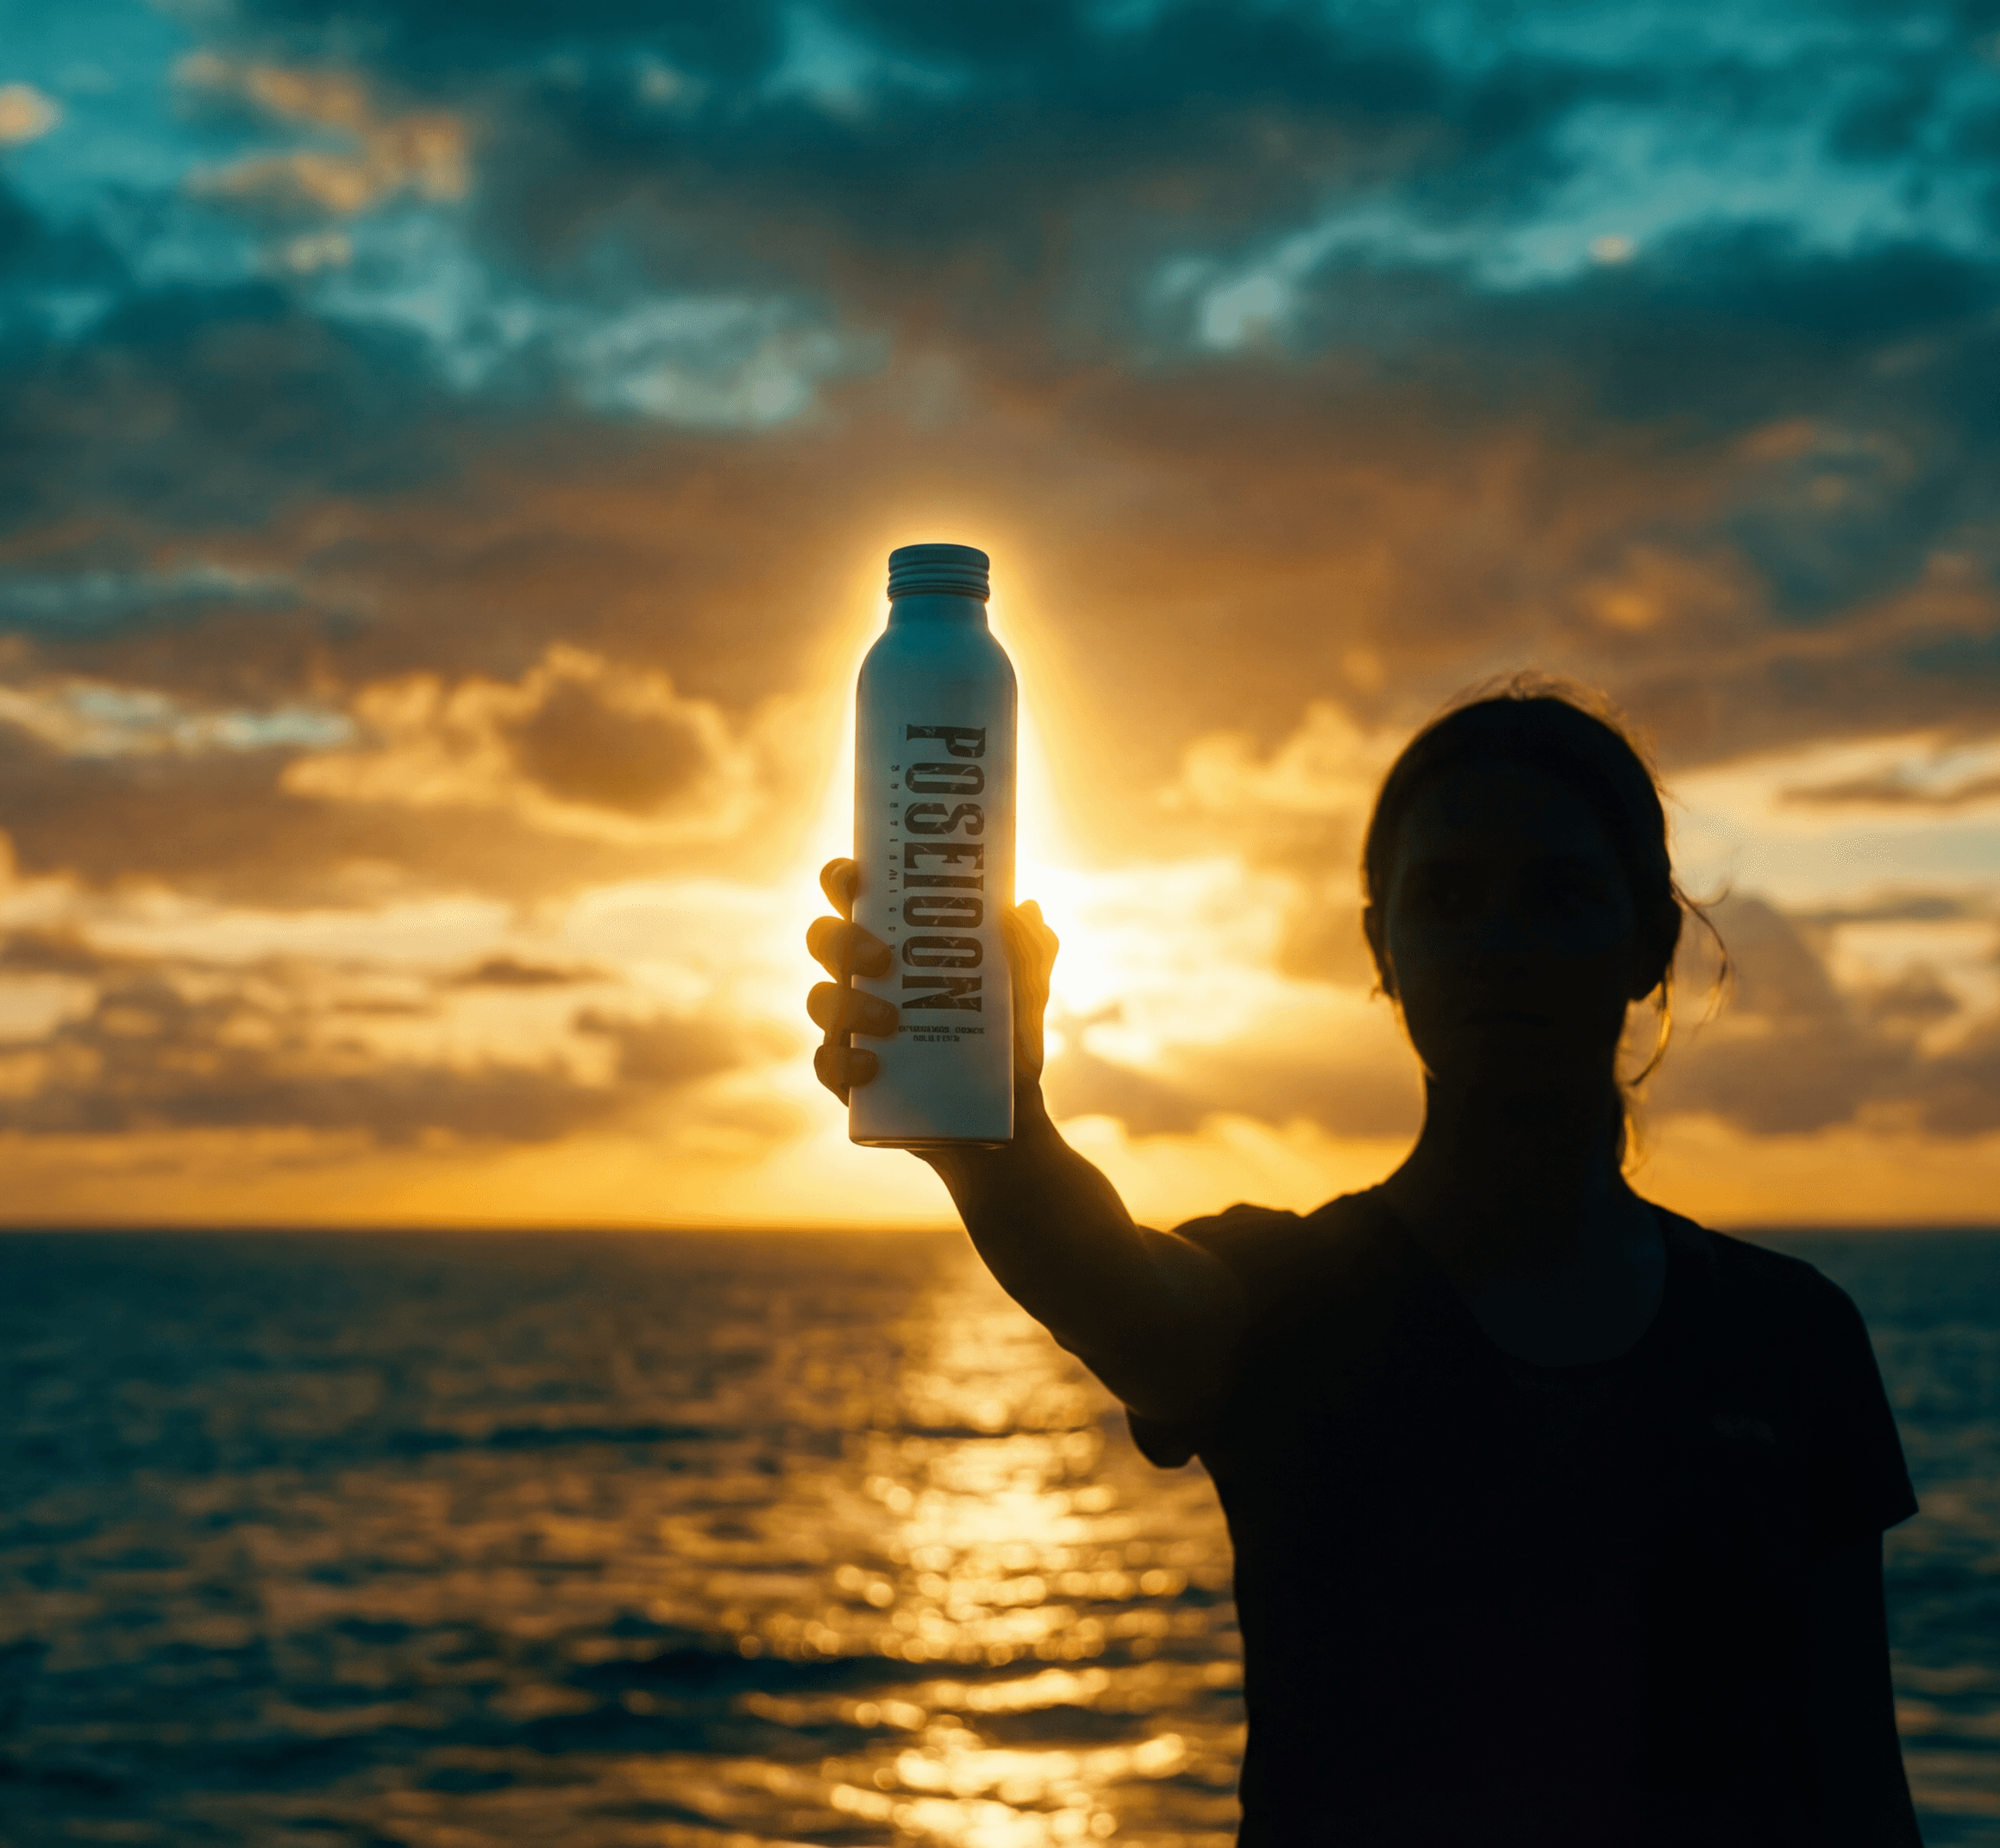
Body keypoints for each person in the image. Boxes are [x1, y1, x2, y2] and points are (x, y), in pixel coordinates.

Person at [802, 673, 1924, 1845]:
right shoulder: (1287, 1300)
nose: (1498, 941)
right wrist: (995, 1131)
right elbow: (1101, 1276)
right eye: (1445, 896)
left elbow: (1861, 1793)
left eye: (1556, 892)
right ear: (1379, 946)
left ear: (1649, 939)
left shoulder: (1792, 1342)